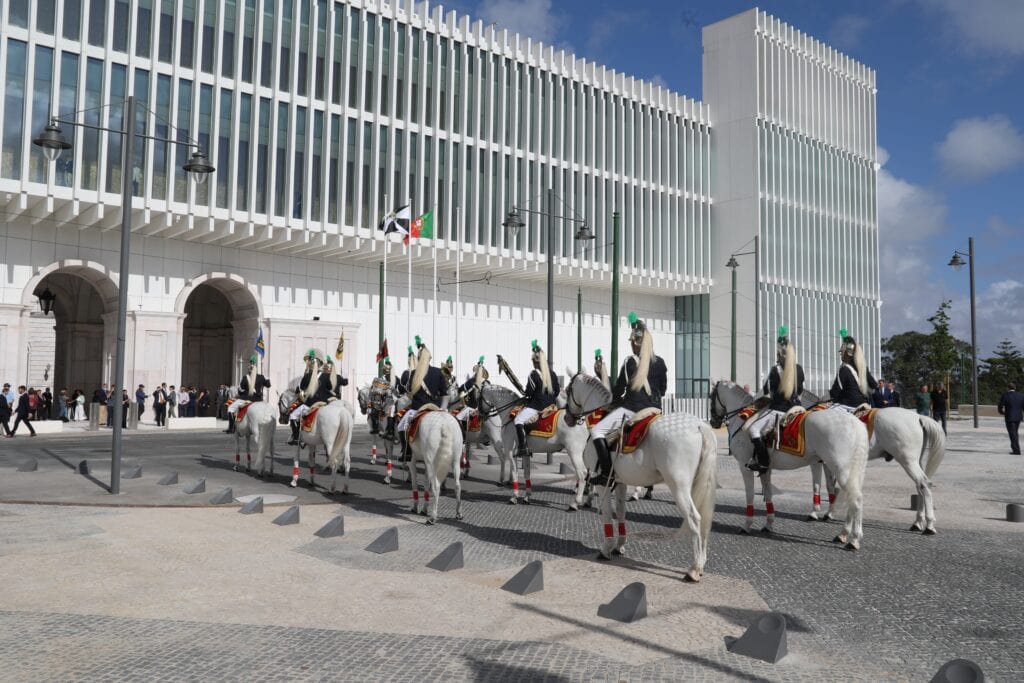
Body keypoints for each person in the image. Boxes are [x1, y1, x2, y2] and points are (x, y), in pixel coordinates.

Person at [589, 313, 668, 486]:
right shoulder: (661, 363)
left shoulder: (629, 363)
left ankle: (606, 475)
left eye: (631, 341)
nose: (631, 344)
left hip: (633, 410)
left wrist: (603, 376)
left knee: (596, 431)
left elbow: (617, 392)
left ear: (635, 342)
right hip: (656, 411)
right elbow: (662, 390)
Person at [745, 326, 805, 473]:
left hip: (779, 410)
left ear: (780, 354)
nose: (776, 356)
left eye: (777, 354)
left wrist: (752, 397)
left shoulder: (775, 370)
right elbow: (800, 390)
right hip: (797, 409)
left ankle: (763, 463)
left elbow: (766, 393)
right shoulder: (799, 369)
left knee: (753, 429)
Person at [396, 337, 448, 457]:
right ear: (429, 358)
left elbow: (410, 394)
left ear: (419, 359)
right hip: (435, 408)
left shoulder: (414, 373)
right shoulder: (438, 372)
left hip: (417, 409)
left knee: (401, 426)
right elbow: (445, 394)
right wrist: (443, 408)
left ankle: (406, 452)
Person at [513, 340, 562, 461]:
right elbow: (557, 391)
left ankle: (523, 447)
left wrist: (526, 396)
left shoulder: (533, 374)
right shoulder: (552, 374)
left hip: (536, 406)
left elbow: (529, 393)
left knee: (518, 420)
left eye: (532, 361)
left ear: (535, 362)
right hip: (552, 406)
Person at [829, 330, 878, 412]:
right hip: (865, 404)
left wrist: (829, 397)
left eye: (842, 352)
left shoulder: (844, 369)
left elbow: (835, 391)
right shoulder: (863, 368)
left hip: (848, 405)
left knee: (823, 413)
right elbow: (874, 385)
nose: (841, 354)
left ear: (847, 353)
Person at [287, 349, 322, 444]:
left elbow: (301, 390)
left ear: (310, 364)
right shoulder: (323, 376)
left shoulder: (307, 376)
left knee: (293, 415)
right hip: (322, 403)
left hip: (309, 404)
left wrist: (298, 391)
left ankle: (296, 437)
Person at [998, 383, 1024, 455]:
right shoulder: (1021, 395)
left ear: (1008, 388)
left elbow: (1000, 405)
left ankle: (1016, 450)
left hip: (1009, 417)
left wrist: (1002, 412)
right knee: (1015, 432)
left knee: (1012, 433)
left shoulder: (1005, 395)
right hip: (1018, 417)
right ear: (1015, 388)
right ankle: (1015, 448)